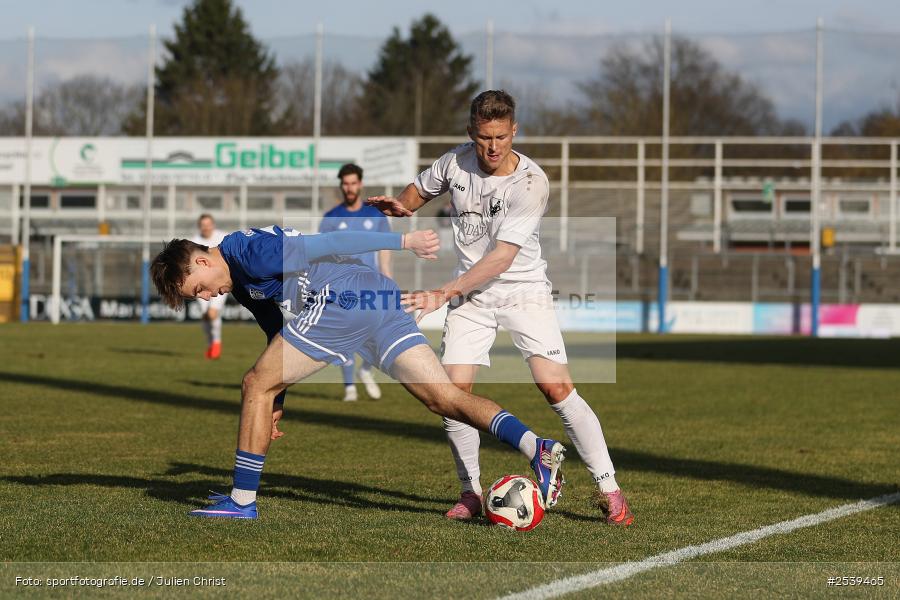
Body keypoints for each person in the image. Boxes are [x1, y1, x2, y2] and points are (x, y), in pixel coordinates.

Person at [150, 224, 565, 519]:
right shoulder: (241, 279)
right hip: (374, 297)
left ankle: (241, 501)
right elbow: (277, 332)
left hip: (341, 298)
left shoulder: (248, 252)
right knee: (444, 398)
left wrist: (403, 241)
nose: (206, 297)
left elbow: (331, 241)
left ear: (202, 260)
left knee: (253, 384)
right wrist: (278, 399)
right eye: (198, 298)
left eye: (199, 289)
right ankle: (536, 447)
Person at [367, 90, 633, 526]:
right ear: (472, 132)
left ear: (515, 132)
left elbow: (502, 258)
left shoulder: (531, 183)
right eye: (484, 138)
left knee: (556, 389)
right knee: (453, 394)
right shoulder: (455, 162)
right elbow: (416, 192)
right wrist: (400, 207)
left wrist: (442, 293)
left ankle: (610, 490)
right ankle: (470, 492)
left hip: (522, 290)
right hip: (472, 298)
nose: (492, 148)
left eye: (501, 137)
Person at [319, 163, 390, 401]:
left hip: (371, 284)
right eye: (345, 184)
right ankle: (349, 386)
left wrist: (387, 278)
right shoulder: (330, 218)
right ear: (341, 186)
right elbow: (323, 253)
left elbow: (385, 247)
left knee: (380, 334)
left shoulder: (375, 215)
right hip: (343, 285)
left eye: (353, 183)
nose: (349, 188)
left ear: (360, 184)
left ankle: (365, 370)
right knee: (346, 335)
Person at [191, 214, 228, 359]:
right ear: (199, 226)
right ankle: (210, 344)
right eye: (203, 225)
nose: (206, 227)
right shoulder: (194, 242)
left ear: (213, 225)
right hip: (201, 284)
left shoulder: (222, 237)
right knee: (206, 316)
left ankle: (217, 343)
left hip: (220, 282)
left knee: (213, 313)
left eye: (208, 224)